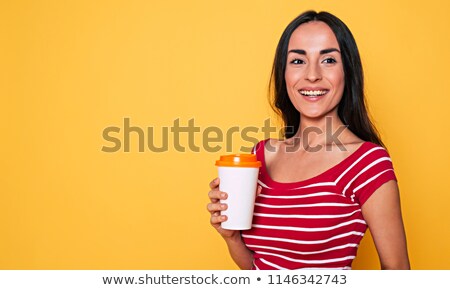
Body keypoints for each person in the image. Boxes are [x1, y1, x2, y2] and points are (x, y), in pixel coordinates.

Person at [207, 10, 410, 270]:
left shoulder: (368, 164)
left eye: (328, 60)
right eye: (298, 61)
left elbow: (398, 274)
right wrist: (232, 236)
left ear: (347, 71)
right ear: (284, 73)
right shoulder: (260, 154)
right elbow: (258, 270)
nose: (312, 75)